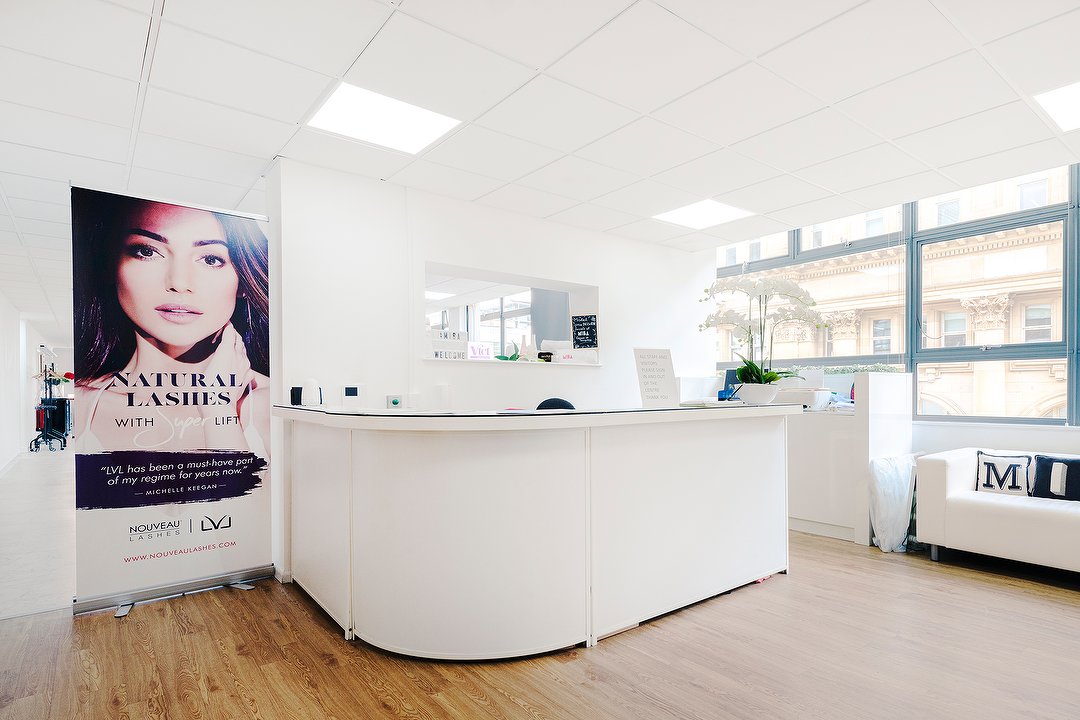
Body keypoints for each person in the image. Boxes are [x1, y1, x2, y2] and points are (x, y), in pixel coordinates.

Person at [72, 190, 270, 455]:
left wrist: (218, 410)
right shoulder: (82, 404)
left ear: (243, 282)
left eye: (211, 259)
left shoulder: (271, 404)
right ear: (111, 268)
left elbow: (249, 497)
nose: (178, 282)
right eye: (147, 251)